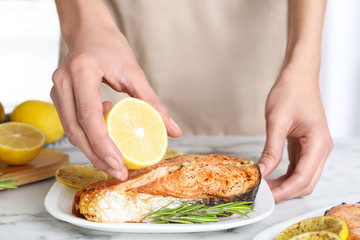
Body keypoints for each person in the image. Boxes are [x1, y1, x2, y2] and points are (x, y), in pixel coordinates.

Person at [51, 0, 332, 203]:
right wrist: (84, 21)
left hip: (242, 42)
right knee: (106, 162)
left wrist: (304, 67)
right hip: (111, 31)